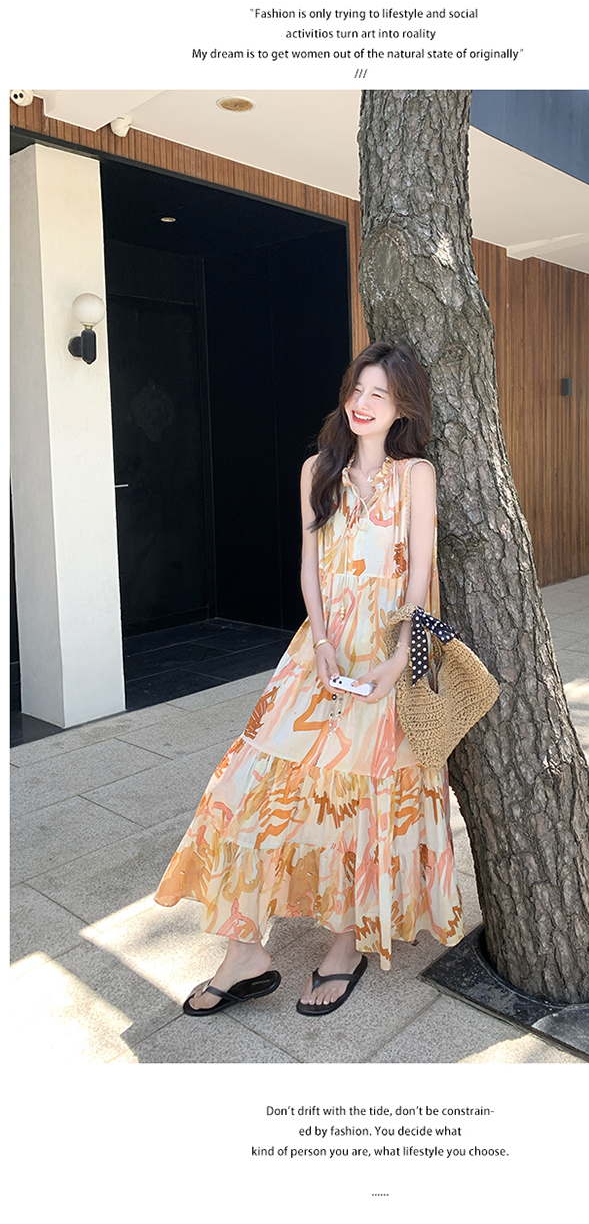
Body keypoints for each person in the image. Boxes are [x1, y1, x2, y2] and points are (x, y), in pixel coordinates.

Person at [154, 340, 465, 1016]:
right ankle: (245, 952)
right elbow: (309, 565)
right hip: (318, 654)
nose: (362, 403)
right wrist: (321, 642)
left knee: (361, 803)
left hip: (387, 654)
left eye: (379, 394)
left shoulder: (416, 475)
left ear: (403, 407)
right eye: (357, 388)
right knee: (246, 788)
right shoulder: (317, 470)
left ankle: (346, 944)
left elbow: (420, 575)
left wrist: (397, 660)